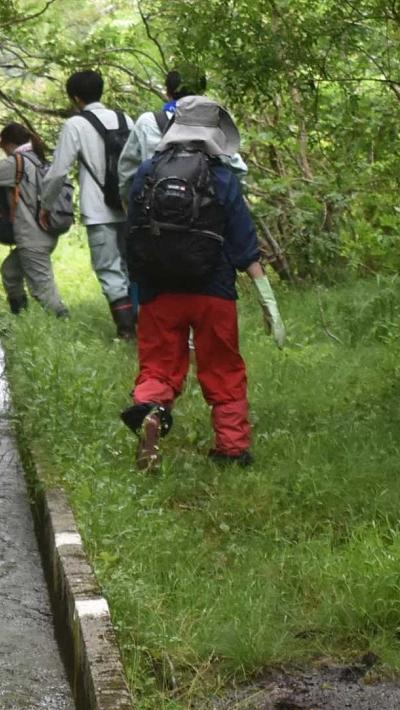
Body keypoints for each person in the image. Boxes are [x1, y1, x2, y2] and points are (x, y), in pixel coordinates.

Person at [121, 96, 285, 472]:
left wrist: (139, 283)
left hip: (159, 290)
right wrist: (269, 303)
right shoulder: (223, 177)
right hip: (214, 292)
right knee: (223, 367)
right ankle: (232, 448)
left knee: (158, 365)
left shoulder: (148, 171)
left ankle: (151, 412)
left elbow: (133, 233)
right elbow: (244, 245)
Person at [38, 70, 135, 339]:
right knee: (132, 267)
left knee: (109, 268)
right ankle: (142, 325)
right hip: (129, 207)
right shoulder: (125, 119)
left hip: (98, 209)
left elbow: (58, 172)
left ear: (75, 98)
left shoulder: (76, 125)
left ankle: (127, 331)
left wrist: (46, 204)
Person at [0, 123, 71, 319]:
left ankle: (64, 321)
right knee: (10, 272)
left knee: (43, 291)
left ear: (8, 144)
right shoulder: (40, 160)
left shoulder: (17, 162)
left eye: (3, 148)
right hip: (45, 234)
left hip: (32, 238)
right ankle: (20, 317)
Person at [119, 65, 249, 197]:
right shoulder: (211, 124)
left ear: (168, 92)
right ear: (202, 93)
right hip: (204, 204)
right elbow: (238, 169)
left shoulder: (147, 122)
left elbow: (127, 172)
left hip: (157, 203)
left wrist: (131, 202)